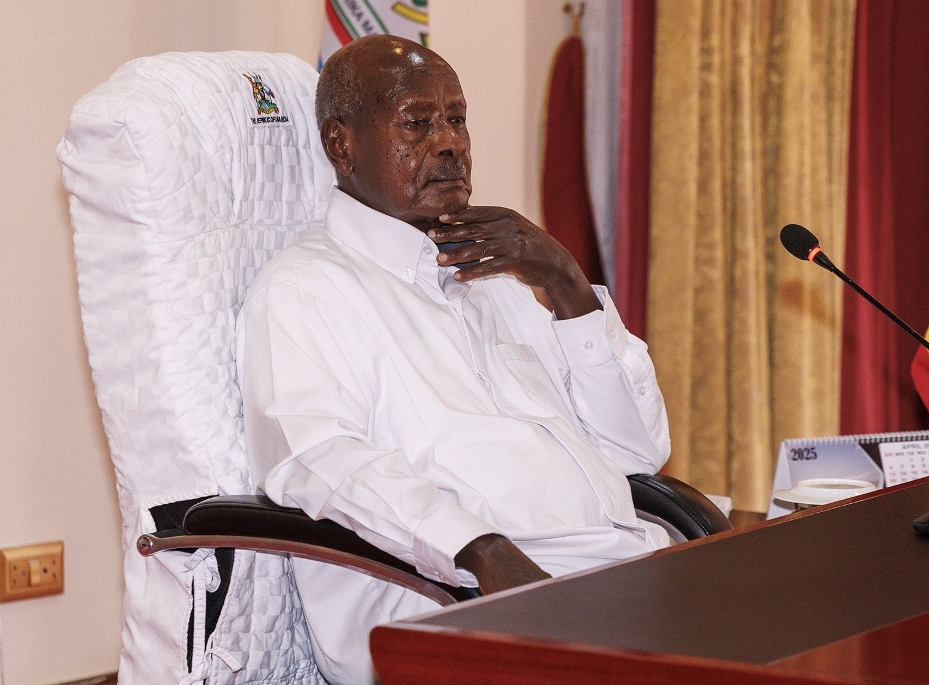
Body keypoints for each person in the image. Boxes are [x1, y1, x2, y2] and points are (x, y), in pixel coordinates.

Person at [235, 35, 671, 684]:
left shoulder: (497, 276)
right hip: (452, 599)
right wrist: (481, 548)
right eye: (418, 122)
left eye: (457, 119)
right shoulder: (304, 290)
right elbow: (319, 457)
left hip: (607, 574)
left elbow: (638, 452)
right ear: (341, 144)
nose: (449, 142)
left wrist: (566, 285)